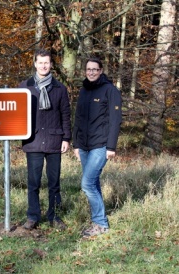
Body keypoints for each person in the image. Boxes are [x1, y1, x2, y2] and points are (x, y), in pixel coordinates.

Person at [19, 49, 71, 230]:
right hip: (33, 140)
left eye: (47, 63)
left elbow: (65, 114)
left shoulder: (60, 88)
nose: (43, 66)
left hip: (54, 141)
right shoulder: (25, 87)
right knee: (33, 182)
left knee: (54, 182)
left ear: (51, 65)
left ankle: (54, 216)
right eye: (40, 62)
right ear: (35, 64)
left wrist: (66, 138)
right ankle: (33, 216)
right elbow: (17, 115)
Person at [73, 57, 122, 237]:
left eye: (95, 69)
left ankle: (100, 223)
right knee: (92, 182)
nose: (91, 72)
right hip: (84, 146)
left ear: (101, 71)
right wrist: (76, 145)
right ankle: (98, 221)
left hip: (100, 146)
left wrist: (111, 146)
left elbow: (115, 121)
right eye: (88, 69)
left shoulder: (110, 90)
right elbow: (77, 119)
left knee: (86, 184)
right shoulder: (84, 90)